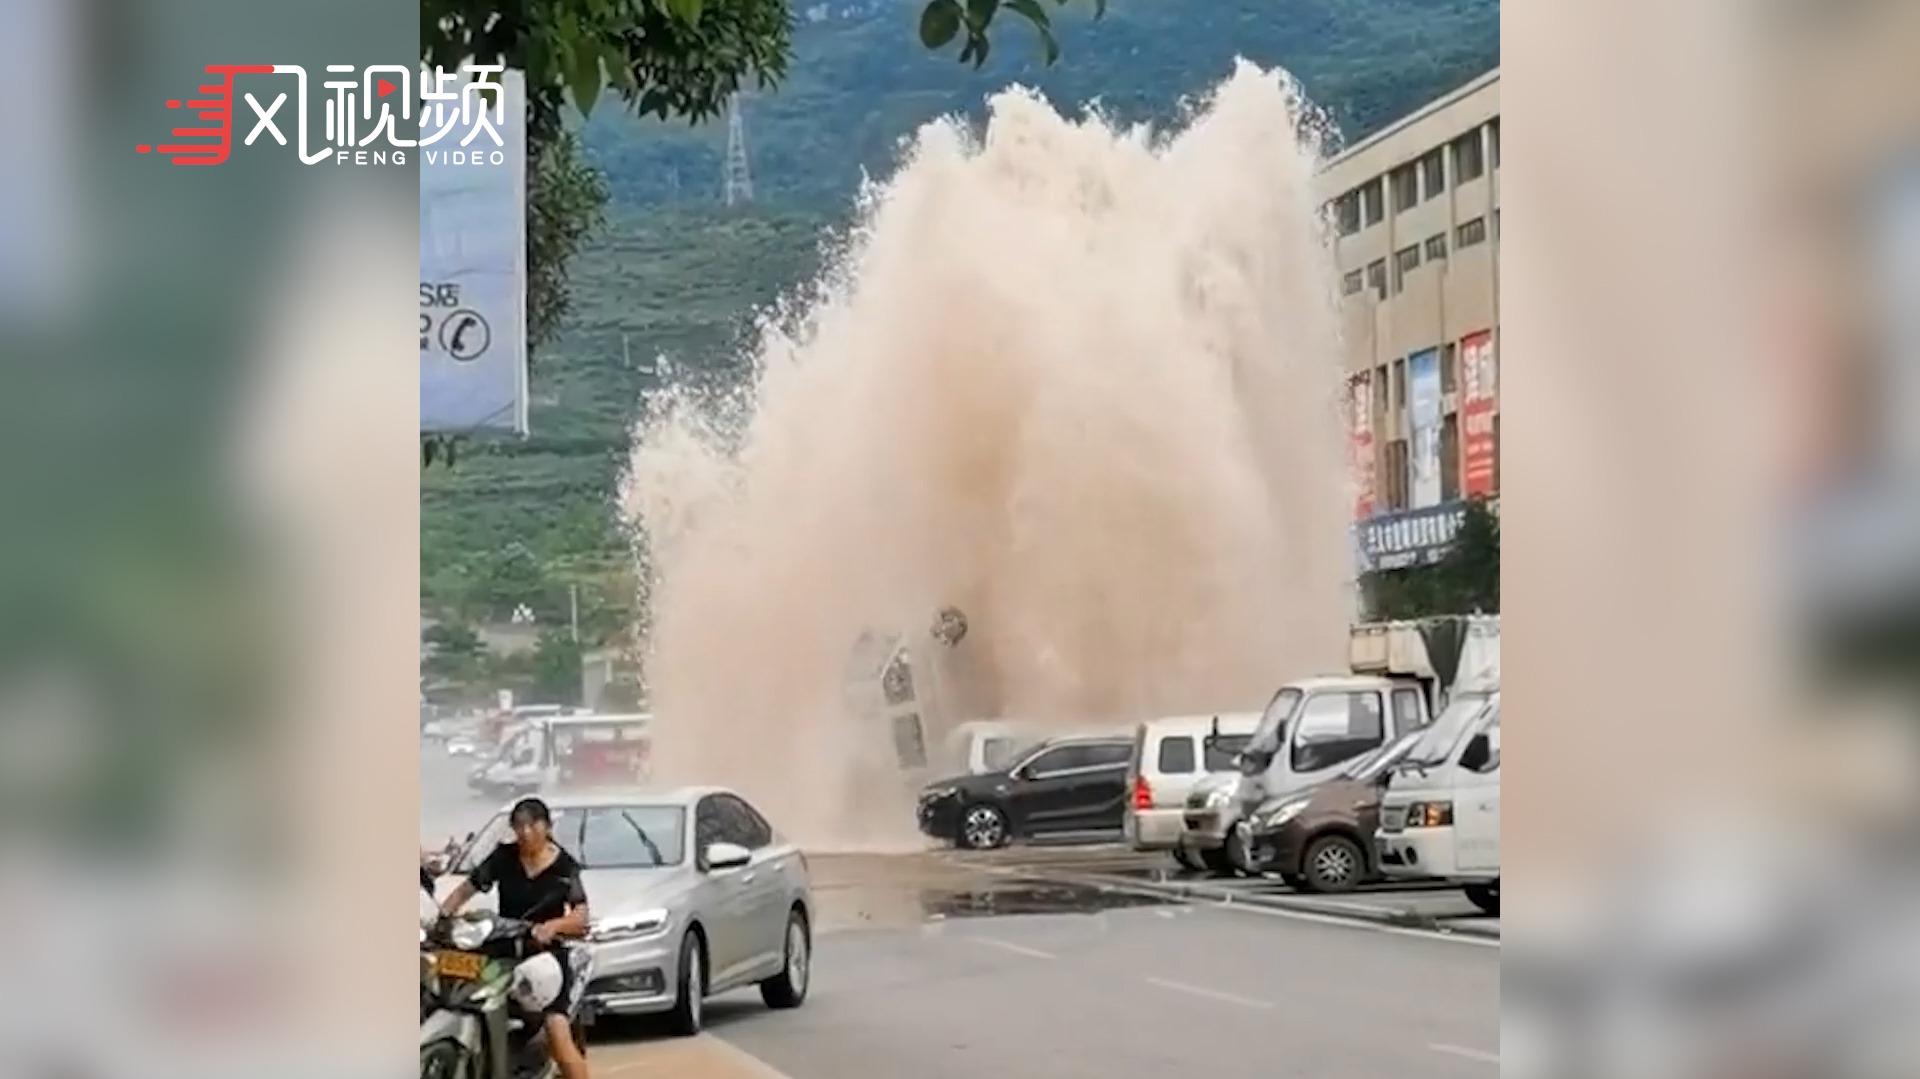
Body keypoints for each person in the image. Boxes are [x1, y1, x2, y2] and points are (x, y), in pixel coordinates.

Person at [437, 798, 591, 1079]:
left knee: (556, 1028)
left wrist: (554, 926)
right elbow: (465, 890)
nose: (526, 832)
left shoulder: (565, 868)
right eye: (519, 826)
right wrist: (441, 917)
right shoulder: (503, 857)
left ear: (546, 827)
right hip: (503, 947)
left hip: (546, 955)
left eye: (532, 825)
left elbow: (581, 916)